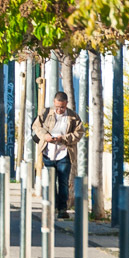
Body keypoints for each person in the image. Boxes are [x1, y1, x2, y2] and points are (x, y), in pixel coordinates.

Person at [32, 91, 85, 219]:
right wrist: (45, 136)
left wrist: (64, 138)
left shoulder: (73, 117)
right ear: (54, 103)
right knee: (50, 181)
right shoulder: (46, 113)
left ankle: (62, 209)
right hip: (48, 153)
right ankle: (52, 205)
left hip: (64, 154)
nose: (59, 110)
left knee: (63, 182)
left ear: (66, 104)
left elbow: (79, 132)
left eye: (62, 107)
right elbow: (36, 126)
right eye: (57, 107)